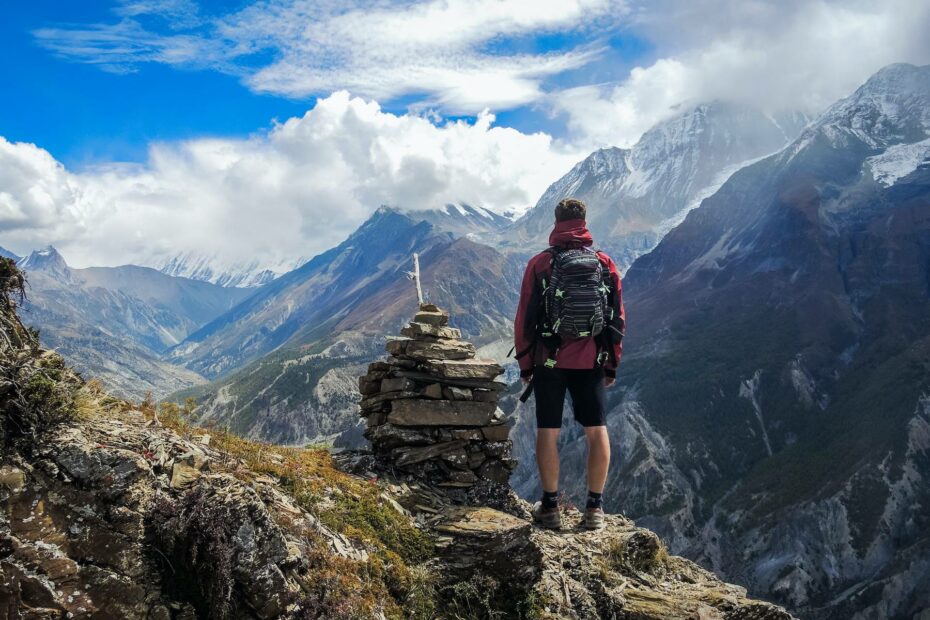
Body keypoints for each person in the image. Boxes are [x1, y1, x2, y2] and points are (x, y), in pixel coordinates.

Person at [513, 198, 625, 530]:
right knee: (596, 431)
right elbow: (617, 318)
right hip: (591, 359)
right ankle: (594, 510)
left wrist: (525, 364)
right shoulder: (604, 263)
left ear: (556, 221)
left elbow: (524, 319)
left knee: (547, 432)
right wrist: (612, 364)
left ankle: (550, 508)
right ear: (584, 221)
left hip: (549, 359)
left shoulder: (540, 264)